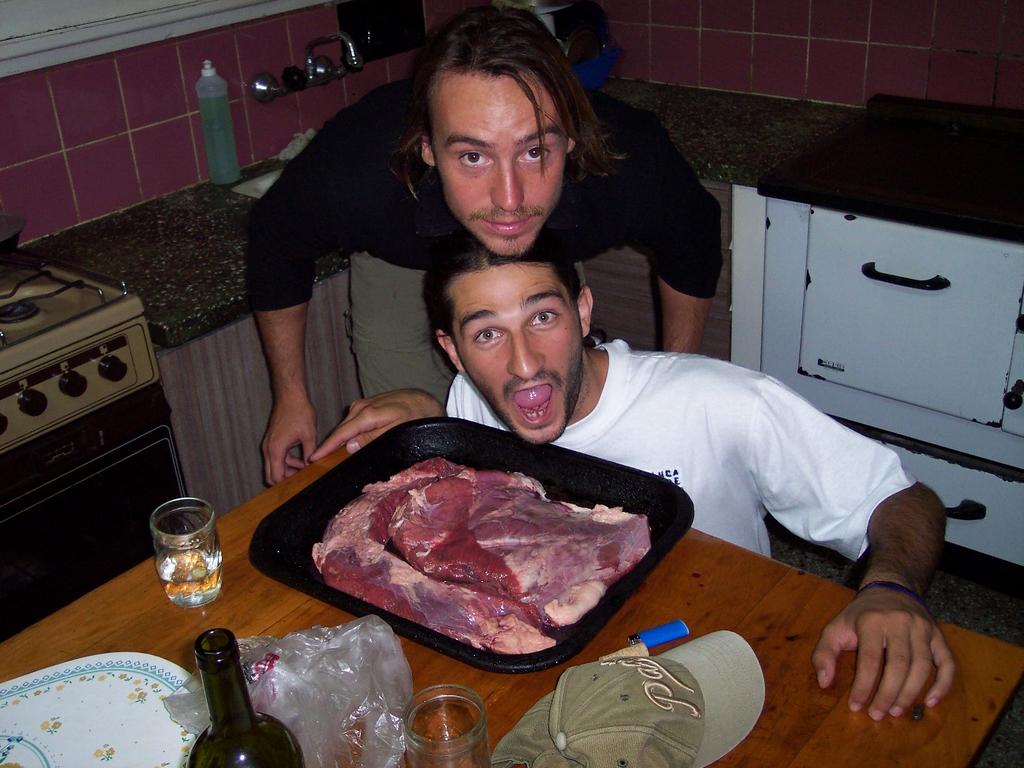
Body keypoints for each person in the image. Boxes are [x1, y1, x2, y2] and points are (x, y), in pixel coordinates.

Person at [310, 228, 956, 723]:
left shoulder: (721, 402)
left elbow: (902, 499)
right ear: (452, 350)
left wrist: (893, 589)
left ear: (583, 310)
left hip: (720, 656)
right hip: (568, 672)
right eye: (486, 335)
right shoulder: (471, 405)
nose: (524, 363)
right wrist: (423, 408)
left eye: (543, 317)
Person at [246, 5, 722, 485]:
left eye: (534, 151)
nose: (509, 201)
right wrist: (290, 397)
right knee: (419, 461)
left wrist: (675, 380)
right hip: (404, 266)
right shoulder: (358, 166)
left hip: (545, 253)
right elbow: (277, 236)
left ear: (571, 141)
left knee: (560, 448)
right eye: (473, 157)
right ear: (427, 149)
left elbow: (693, 236)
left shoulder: (630, 161)